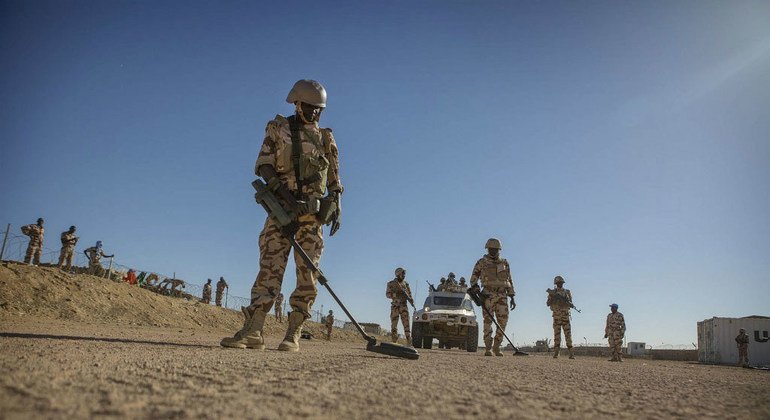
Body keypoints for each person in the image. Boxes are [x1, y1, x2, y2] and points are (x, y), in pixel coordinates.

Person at [221, 79, 343, 352]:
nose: (314, 113)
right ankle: (253, 331)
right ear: (296, 103)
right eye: (309, 107)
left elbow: (334, 179)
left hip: (311, 218)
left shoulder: (326, 137)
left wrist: (337, 206)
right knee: (269, 269)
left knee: (308, 276)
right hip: (281, 212)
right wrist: (287, 200)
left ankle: (293, 334)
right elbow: (264, 167)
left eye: (318, 109)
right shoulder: (278, 128)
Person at [469, 238, 516, 357]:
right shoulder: (482, 262)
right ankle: (488, 347)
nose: (493, 251)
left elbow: (509, 279)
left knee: (503, 321)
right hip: (487, 294)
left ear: (499, 249)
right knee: (488, 321)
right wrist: (475, 287)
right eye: (491, 249)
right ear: (487, 249)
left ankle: (497, 346)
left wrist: (512, 296)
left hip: (502, 295)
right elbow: (474, 276)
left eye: (495, 249)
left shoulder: (504, 263)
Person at [547, 276, 574, 359]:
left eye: (561, 283)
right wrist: (553, 297)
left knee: (568, 335)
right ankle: (556, 353)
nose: (560, 284)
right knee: (557, 335)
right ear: (556, 283)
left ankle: (571, 353)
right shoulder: (552, 292)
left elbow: (570, 303)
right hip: (556, 316)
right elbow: (548, 303)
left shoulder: (567, 292)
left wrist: (566, 302)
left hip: (565, 316)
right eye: (558, 283)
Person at [385, 267, 413, 343]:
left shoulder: (406, 284)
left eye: (404, 274)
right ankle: (394, 340)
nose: (404, 275)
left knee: (406, 323)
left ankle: (409, 340)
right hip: (395, 306)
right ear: (398, 274)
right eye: (403, 274)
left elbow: (409, 295)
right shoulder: (391, 283)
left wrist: (411, 299)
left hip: (404, 306)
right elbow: (387, 294)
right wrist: (396, 295)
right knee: (394, 324)